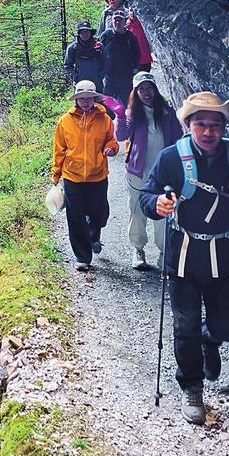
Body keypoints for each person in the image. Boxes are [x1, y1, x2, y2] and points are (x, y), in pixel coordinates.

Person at [140, 91, 229, 424]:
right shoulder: (171, 159)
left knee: (227, 324)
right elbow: (148, 194)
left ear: (224, 127)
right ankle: (192, 388)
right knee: (185, 325)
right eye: (201, 124)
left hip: (225, 256)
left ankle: (210, 339)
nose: (208, 132)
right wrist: (156, 205)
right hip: (184, 257)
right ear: (188, 125)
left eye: (215, 125)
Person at [114, 71, 181, 270]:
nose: (146, 92)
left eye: (149, 88)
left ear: (155, 90)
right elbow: (121, 135)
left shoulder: (168, 113)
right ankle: (138, 249)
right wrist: (119, 115)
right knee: (137, 211)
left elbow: (177, 139)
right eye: (141, 89)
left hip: (163, 173)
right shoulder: (132, 113)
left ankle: (164, 253)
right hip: (138, 171)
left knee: (164, 212)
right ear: (135, 92)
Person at [51, 80, 119, 272]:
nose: (85, 102)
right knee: (76, 218)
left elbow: (112, 141)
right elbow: (59, 149)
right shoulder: (65, 121)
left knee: (98, 213)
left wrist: (111, 149)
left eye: (89, 98)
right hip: (72, 176)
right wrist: (56, 173)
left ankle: (94, 235)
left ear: (94, 99)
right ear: (76, 100)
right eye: (82, 98)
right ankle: (82, 256)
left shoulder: (104, 119)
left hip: (98, 176)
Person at [100, 11, 148, 105]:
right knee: (108, 103)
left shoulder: (131, 36)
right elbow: (99, 52)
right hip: (109, 76)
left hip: (126, 77)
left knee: (128, 103)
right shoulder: (106, 35)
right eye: (115, 20)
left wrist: (135, 69)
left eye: (120, 20)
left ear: (125, 21)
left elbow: (137, 55)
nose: (117, 22)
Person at [63, 20, 105, 88]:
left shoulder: (98, 46)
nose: (85, 34)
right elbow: (67, 65)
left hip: (97, 83)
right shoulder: (73, 48)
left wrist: (100, 75)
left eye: (87, 31)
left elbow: (106, 62)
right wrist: (75, 76)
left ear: (91, 32)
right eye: (82, 32)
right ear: (79, 33)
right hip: (80, 83)